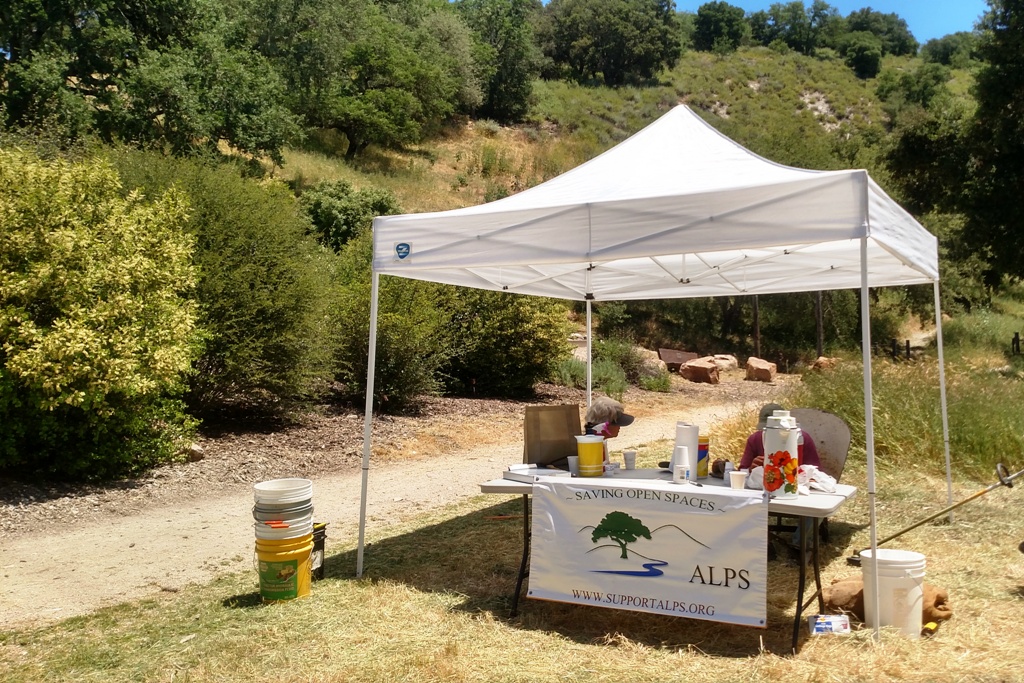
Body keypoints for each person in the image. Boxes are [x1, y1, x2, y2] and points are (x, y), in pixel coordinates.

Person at [739, 403, 820, 471]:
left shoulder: (800, 438)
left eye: (775, 430)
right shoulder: (755, 439)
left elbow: (817, 474)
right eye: (767, 430)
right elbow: (741, 473)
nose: (771, 434)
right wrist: (752, 469)